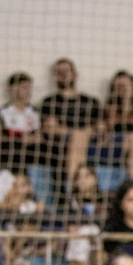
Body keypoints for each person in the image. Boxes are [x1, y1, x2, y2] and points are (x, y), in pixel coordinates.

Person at [40, 58, 105, 193]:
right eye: (59, 72)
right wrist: (81, 132)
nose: (63, 74)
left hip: (93, 145)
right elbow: (51, 129)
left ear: (75, 74)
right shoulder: (49, 102)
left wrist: (87, 132)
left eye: (66, 71)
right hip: (63, 145)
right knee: (78, 136)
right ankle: (77, 192)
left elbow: (101, 127)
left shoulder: (91, 101)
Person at [102, 70, 133, 181]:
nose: (123, 89)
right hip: (113, 148)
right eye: (120, 86)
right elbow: (104, 134)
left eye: (126, 86)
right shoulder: (107, 110)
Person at [0, 72, 44, 172]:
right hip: (13, 151)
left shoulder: (35, 112)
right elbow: (0, 136)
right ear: (12, 89)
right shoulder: (3, 112)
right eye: (24, 88)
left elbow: (39, 134)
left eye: (29, 88)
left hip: (32, 150)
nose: (28, 91)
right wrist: (20, 139)